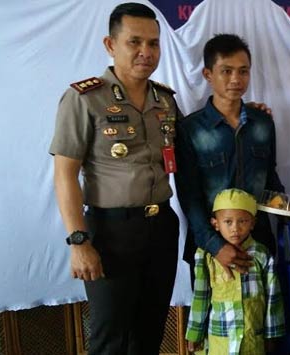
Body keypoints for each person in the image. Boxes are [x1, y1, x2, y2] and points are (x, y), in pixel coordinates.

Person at [49, 3, 181, 354]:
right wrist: (79, 242)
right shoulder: (84, 99)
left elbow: (191, 147)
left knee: (149, 333)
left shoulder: (165, 100)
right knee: (111, 338)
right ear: (110, 44)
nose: (146, 52)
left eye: (153, 44)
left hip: (162, 227)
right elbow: (64, 176)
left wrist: (244, 110)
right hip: (111, 232)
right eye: (134, 42)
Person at [176, 34, 285, 279]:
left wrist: (288, 211)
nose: (236, 79)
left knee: (261, 315)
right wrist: (215, 245)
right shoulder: (190, 130)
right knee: (211, 317)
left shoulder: (262, 123)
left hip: (258, 244)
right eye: (226, 71)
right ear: (208, 75)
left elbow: (269, 177)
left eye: (243, 71)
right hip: (210, 249)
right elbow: (189, 196)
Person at [185, 188, 285, 354]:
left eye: (242, 221)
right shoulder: (206, 256)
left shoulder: (261, 255)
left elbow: (273, 298)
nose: (235, 229)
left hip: (252, 343)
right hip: (220, 344)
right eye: (228, 222)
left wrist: (271, 336)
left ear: (252, 223)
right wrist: (194, 333)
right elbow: (200, 296)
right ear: (215, 224)